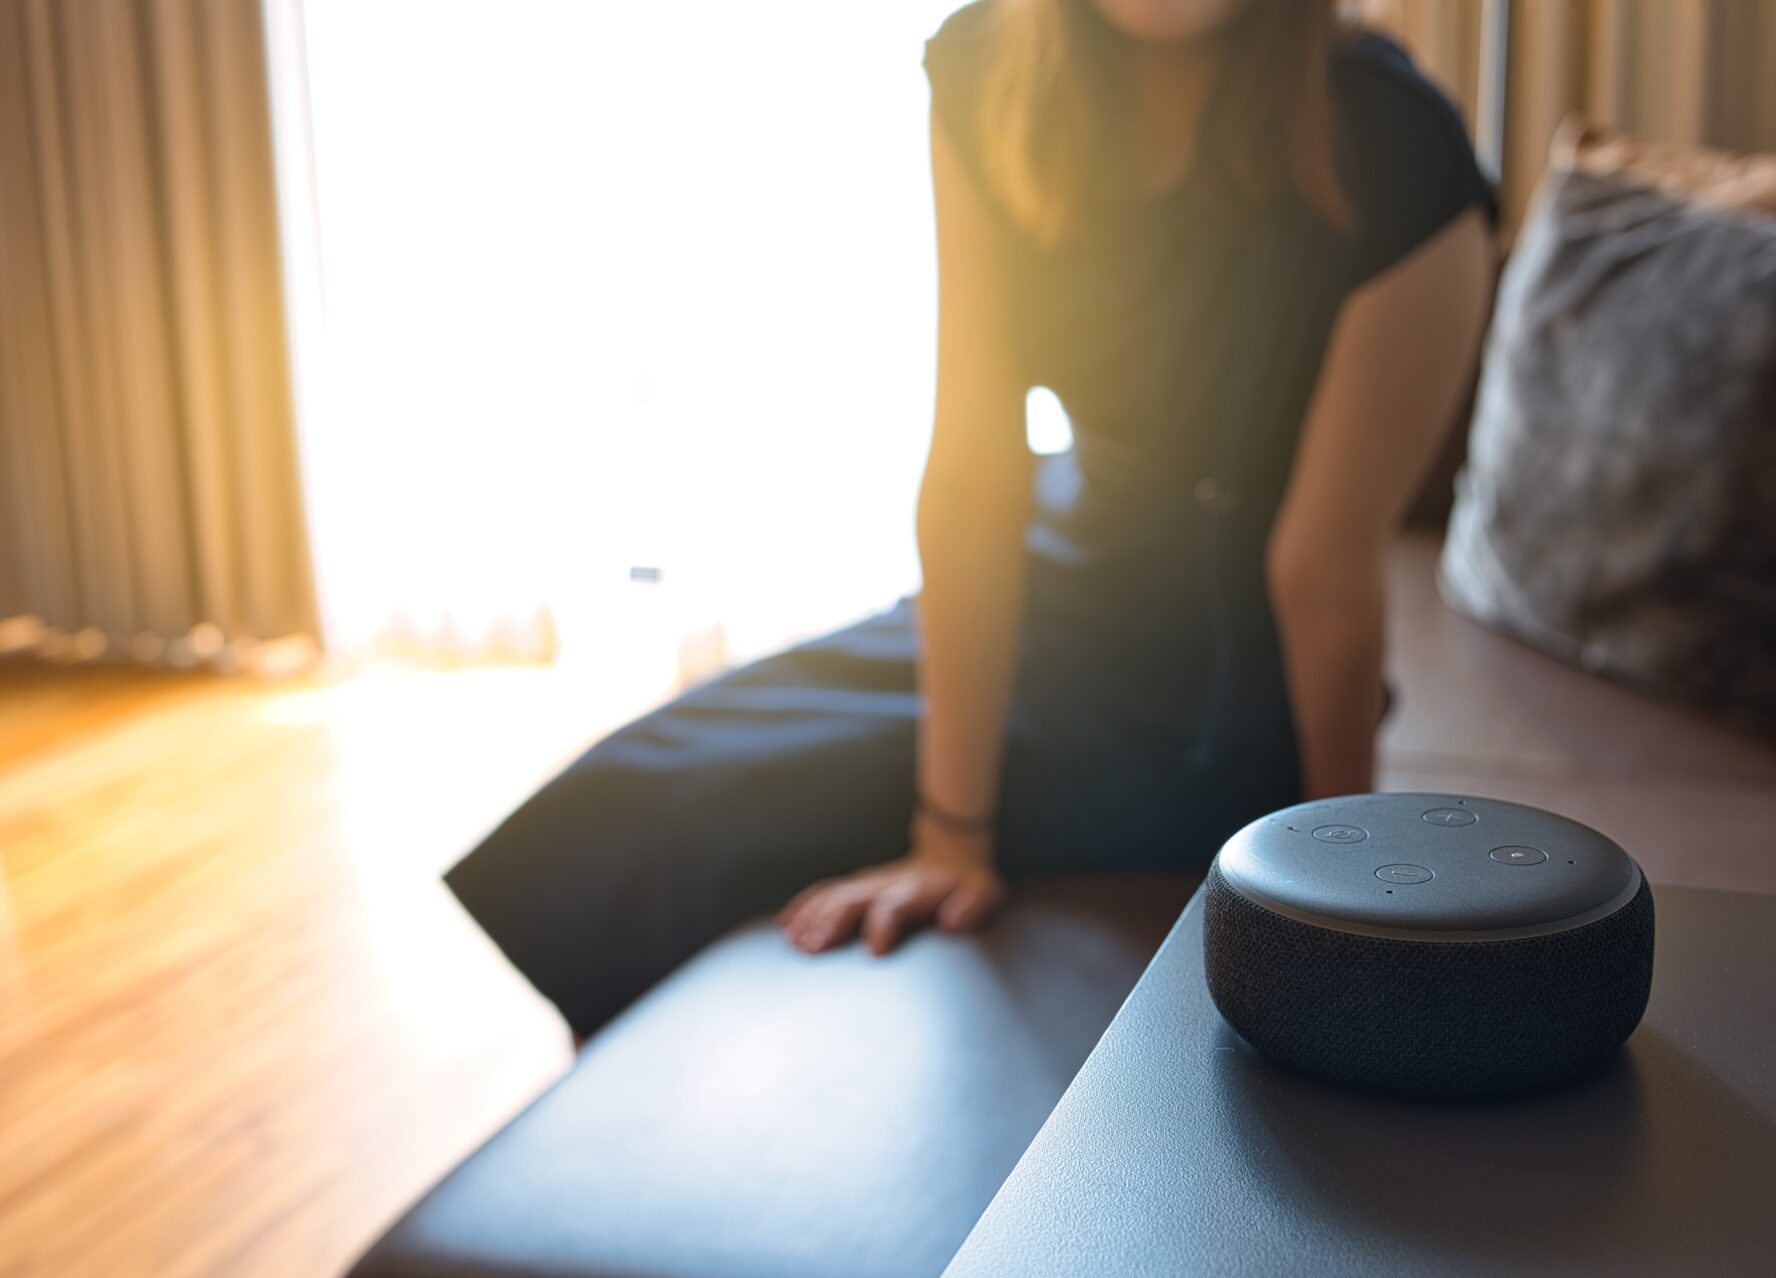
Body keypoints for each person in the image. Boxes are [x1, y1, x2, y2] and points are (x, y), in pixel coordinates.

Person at [447, 0, 1496, 1041]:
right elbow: (975, 467)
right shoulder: (988, 62)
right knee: (630, 809)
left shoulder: (1397, 142)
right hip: (1061, 570)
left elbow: (1321, 569)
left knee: (717, 830)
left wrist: (1329, 894)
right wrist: (949, 833)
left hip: (1218, 680)